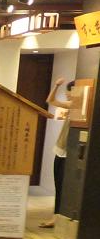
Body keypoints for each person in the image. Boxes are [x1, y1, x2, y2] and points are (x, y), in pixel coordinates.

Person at [40, 78, 76, 229]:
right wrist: (56, 85)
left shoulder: (80, 106)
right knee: (58, 185)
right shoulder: (72, 105)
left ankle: (57, 217)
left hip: (70, 153)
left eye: (70, 92)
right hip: (60, 150)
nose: (67, 95)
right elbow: (51, 100)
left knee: (63, 187)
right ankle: (56, 217)